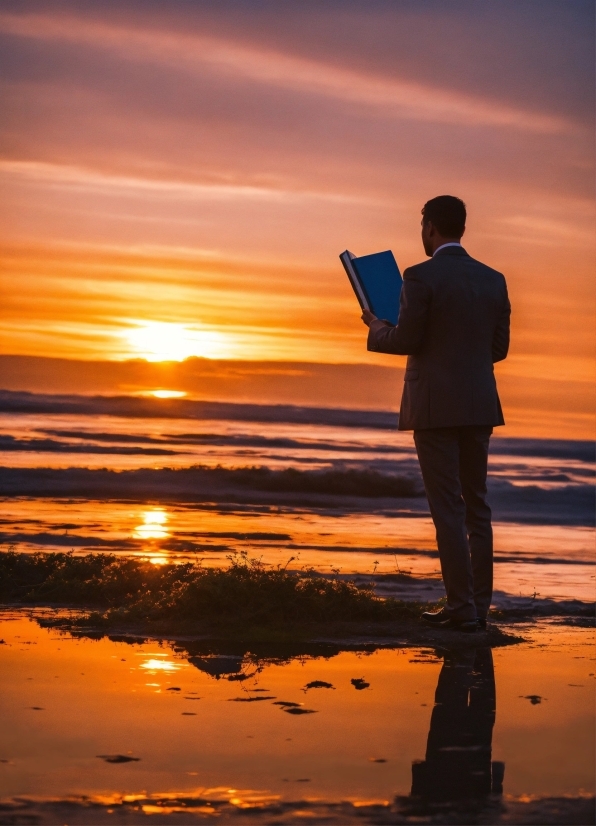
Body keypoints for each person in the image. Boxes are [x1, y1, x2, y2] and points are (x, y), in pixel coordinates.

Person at [362, 195, 510, 632]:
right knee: (476, 507)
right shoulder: (494, 279)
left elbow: (406, 339)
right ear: (461, 227)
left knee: (447, 508)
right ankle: (478, 607)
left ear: (430, 227)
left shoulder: (419, 276)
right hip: (479, 404)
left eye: (422, 226)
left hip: (433, 408)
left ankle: (461, 608)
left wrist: (377, 328)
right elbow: (497, 349)